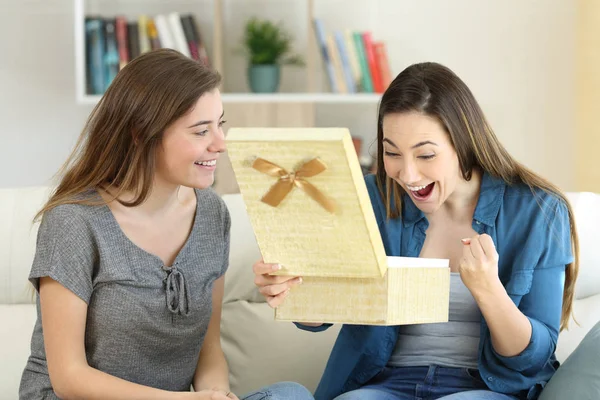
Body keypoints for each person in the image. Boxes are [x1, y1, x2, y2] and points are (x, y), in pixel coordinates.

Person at [253, 62, 579, 400]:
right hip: (384, 383)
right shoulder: (370, 198)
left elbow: (533, 356)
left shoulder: (539, 210)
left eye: (425, 155)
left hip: (482, 387)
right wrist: (292, 290)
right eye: (392, 152)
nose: (407, 174)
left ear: (463, 143)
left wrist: (488, 290)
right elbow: (318, 319)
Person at [19, 49, 313, 400]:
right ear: (141, 134)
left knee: (290, 394)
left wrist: (216, 394)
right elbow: (69, 378)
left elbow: (209, 351)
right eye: (201, 131)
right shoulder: (74, 222)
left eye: (220, 124)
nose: (221, 144)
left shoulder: (212, 214)